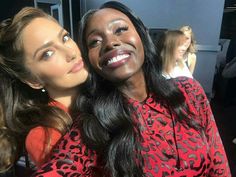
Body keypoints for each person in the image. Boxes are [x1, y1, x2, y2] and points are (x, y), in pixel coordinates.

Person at [33, 1, 231, 176]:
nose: (111, 43)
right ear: (90, 61)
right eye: (95, 41)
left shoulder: (189, 92)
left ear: (141, 34)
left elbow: (219, 163)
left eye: (120, 30)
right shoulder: (93, 126)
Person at [0, 6, 88, 172]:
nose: (70, 53)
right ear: (33, 80)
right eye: (47, 53)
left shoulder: (103, 93)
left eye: (65, 38)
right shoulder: (45, 135)